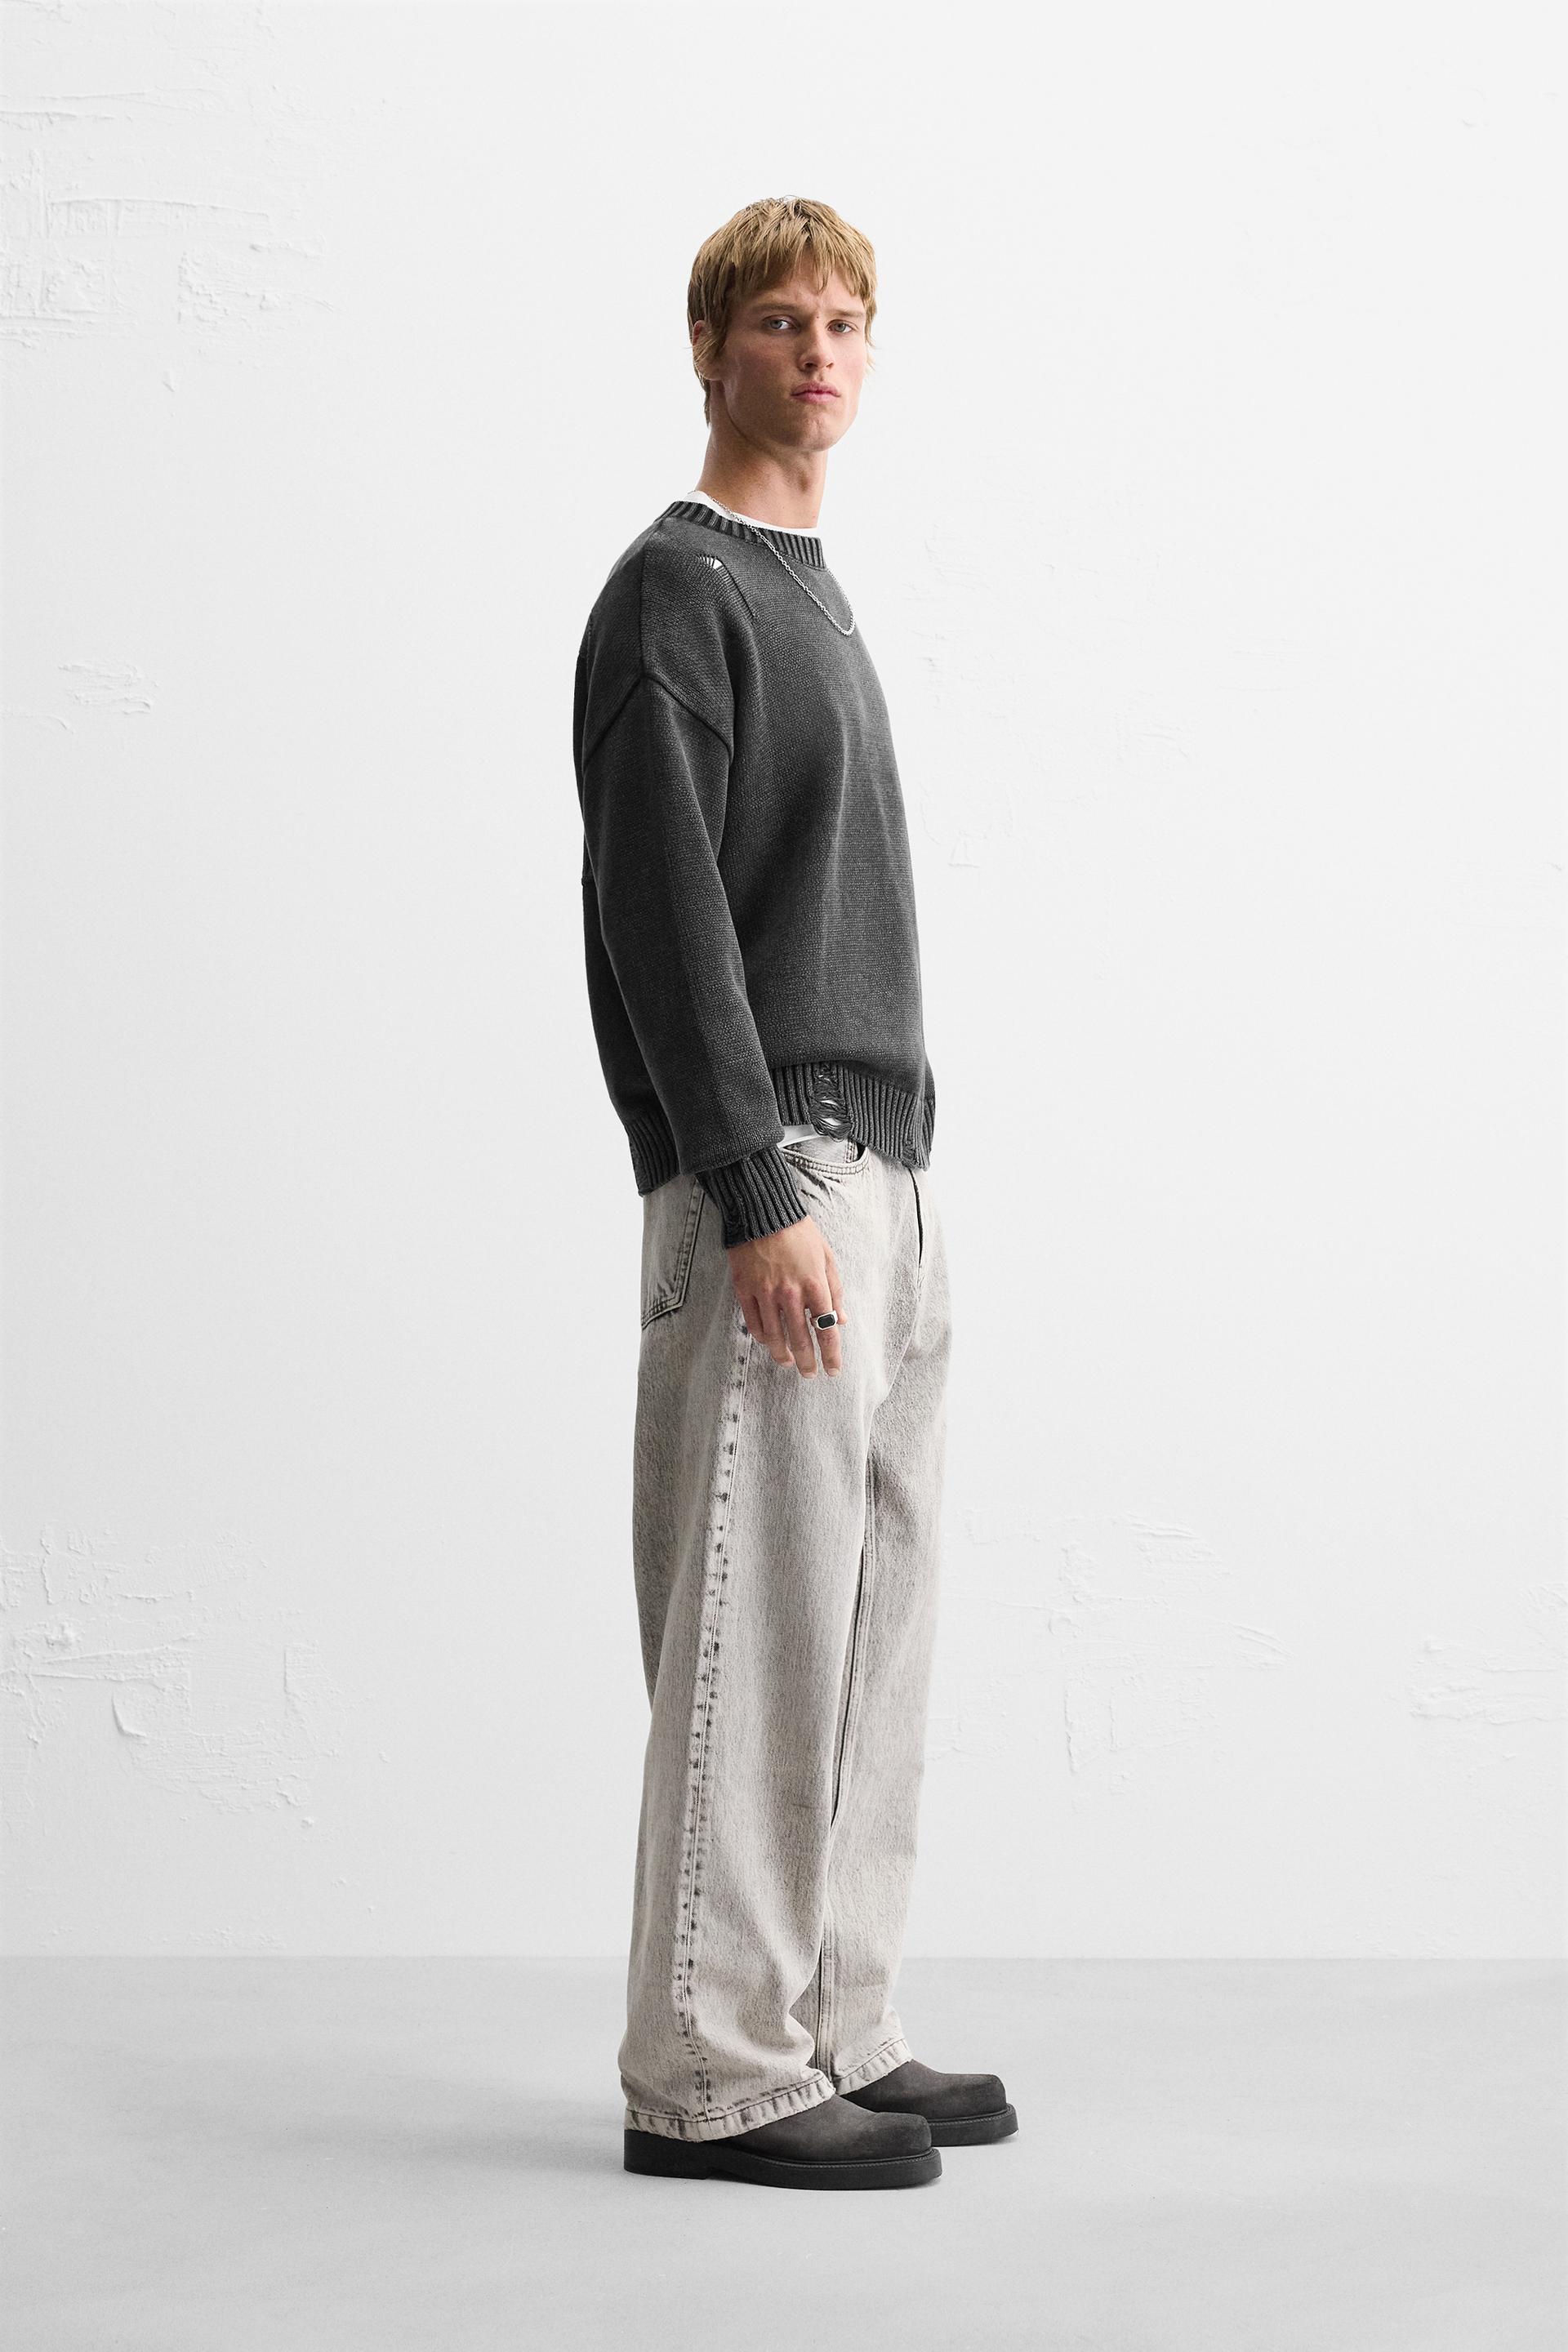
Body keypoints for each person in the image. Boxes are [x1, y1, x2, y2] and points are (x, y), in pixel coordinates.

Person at [572, 194, 1017, 2191]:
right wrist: (755, 1186)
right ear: (708, 349)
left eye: (844, 321)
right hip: (785, 1174)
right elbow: (661, 909)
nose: (817, 352)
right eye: (777, 320)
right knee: (759, 1631)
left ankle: (839, 2018)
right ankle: (711, 2071)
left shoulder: (811, 591)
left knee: (871, 1630)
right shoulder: (677, 592)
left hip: (884, 1172)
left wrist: (876, 1190)